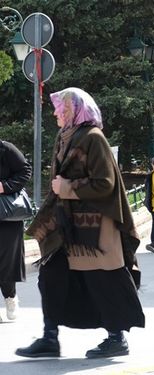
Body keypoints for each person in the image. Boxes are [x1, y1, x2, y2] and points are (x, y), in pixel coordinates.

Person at [18, 87, 144, 358]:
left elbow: (105, 183)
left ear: (74, 110)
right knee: (51, 277)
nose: (54, 113)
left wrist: (67, 187)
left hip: (96, 229)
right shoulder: (66, 137)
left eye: (59, 108)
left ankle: (116, 337)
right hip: (68, 226)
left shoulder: (93, 138)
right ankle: (50, 338)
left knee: (104, 282)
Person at [0, 140, 31, 323]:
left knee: (6, 261)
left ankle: (10, 298)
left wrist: (3, 187)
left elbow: (25, 171)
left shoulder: (6, 149)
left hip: (7, 216)